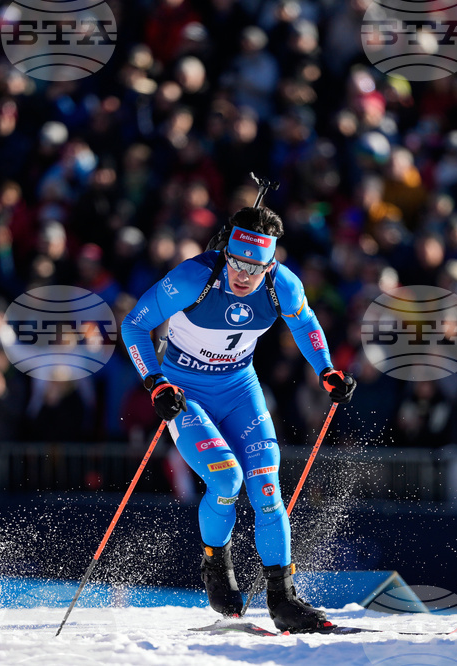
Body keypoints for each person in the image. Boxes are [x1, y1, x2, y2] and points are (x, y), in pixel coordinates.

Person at [120, 206, 356, 633]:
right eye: (237, 263)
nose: (244, 275)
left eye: (256, 267)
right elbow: (134, 326)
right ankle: (216, 564)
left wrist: (327, 370)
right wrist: (155, 383)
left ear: (270, 264)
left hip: (239, 391)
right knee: (226, 480)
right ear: (226, 253)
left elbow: (306, 323)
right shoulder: (195, 277)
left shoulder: (281, 285)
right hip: (186, 391)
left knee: (267, 488)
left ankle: (283, 599)